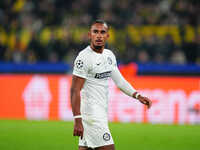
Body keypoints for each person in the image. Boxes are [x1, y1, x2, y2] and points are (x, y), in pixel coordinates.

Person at [70, 20, 152, 150]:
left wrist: (137, 95)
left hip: (101, 113)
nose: (99, 35)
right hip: (91, 116)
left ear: (107, 35)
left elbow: (119, 81)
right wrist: (78, 120)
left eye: (102, 32)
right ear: (89, 35)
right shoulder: (83, 58)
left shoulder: (109, 56)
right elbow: (75, 90)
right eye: (95, 32)